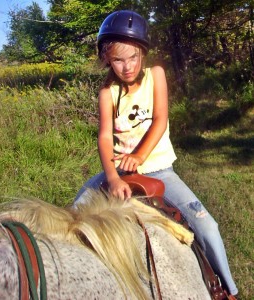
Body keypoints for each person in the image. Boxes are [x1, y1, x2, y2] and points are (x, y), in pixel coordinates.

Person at [73, 10, 238, 297]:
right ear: (107, 60)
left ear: (143, 54)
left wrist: (139, 156)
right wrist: (112, 177)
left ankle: (227, 290)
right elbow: (103, 137)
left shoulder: (156, 76)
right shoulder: (106, 93)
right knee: (72, 215)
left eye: (133, 57)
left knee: (207, 226)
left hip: (159, 169)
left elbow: (160, 119)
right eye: (118, 60)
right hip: (120, 170)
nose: (127, 67)